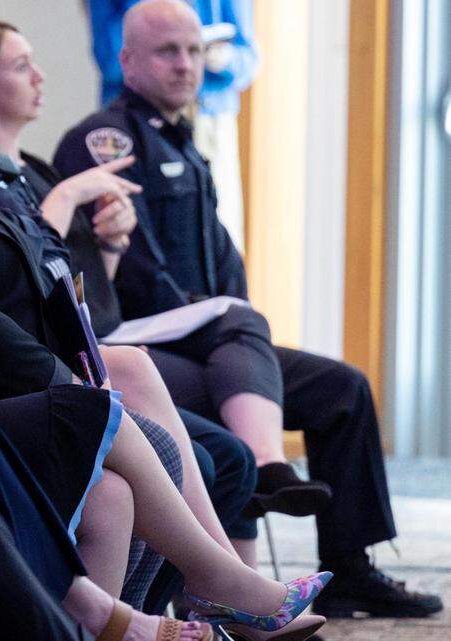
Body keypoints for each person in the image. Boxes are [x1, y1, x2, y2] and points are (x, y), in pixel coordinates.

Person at [0, 1, 335, 639]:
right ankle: (219, 584)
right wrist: (74, 385)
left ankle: (217, 581)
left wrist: (97, 286)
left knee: (149, 401)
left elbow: (47, 278)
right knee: (132, 432)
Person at [54, 0, 443, 621]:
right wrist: (219, 319)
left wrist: (231, 322)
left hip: (214, 344)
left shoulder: (186, 137)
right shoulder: (107, 139)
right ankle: (263, 473)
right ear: (125, 62)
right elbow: (135, 269)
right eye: (167, 51)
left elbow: (223, 261)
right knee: (237, 322)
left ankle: (351, 568)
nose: (186, 65)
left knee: (342, 388)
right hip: (146, 348)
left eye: (193, 50)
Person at [86, 0, 255, 249]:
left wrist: (223, 58)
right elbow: (110, 60)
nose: (184, 64)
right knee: (135, 231)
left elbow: (248, 59)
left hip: (207, 118)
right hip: (134, 117)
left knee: (217, 233)